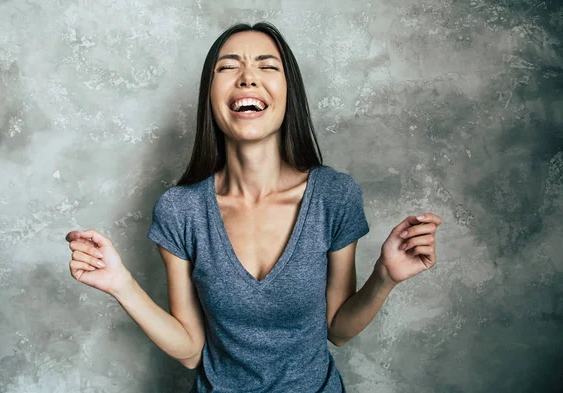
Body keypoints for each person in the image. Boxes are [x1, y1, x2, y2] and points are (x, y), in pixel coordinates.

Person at [65, 21, 442, 393]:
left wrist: (384, 277)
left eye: (266, 66)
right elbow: (191, 351)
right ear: (209, 96)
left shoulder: (334, 195)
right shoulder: (180, 210)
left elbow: (338, 331)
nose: (247, 78)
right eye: (228, 67)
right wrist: (122, 285)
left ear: (288, 93)